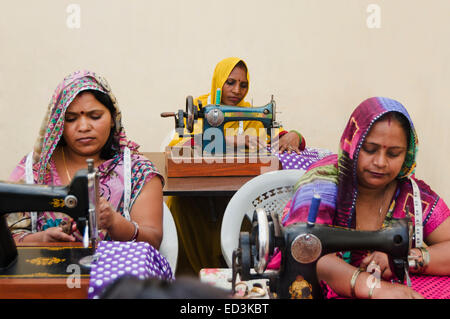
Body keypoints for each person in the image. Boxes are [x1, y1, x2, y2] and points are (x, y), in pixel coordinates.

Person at [274, 97, 450, 299]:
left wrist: (408, 258)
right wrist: (374, 287)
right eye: (369, 149)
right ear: (352, 144)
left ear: (408, 154)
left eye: (393, 154)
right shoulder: (322, 185)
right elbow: (304, 250)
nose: (381, 162)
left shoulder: (412, 195)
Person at [166, 57, 309, 276]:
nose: (237, 90)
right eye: (230, 82)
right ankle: (189, 278)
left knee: (246, 208)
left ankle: (239, 273)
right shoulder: (200, 108)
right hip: (194, 194)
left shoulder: (250, 113)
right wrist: (230, 140)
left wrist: (294, 135)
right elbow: (181, 144)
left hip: (235, 191)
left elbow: (275, 136)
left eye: (243, 85)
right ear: (218, 81)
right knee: (180, 204)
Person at [7, 70, 165, 251]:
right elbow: (8, 239)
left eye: (95, 116)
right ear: (59, 124)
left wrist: (115, 222)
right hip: (46, 276)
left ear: (113, 119)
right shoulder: (33, 170)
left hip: (120, 277)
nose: (83, 127)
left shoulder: (138, 171)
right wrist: (41, 239)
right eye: (71, 119)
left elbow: (153, 241)